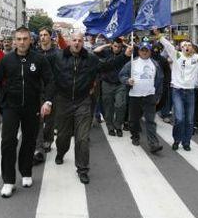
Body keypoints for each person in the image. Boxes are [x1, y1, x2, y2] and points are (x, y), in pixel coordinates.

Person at [49, 32, 132, 184]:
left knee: (82, 138)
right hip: (63, 101)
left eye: (79, 40)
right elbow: (44, 70)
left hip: (83, 101)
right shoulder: (58, 57)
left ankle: (82, 169)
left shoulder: (91, 58)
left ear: (83, 43)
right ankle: (61, 152)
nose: (76, 43)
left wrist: (125, 56)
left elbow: (107, 66)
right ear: (69, 42)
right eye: (74, 40)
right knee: (63, 136)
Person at [0, 27, 54, 198]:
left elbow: (50, 81)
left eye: (25, 38)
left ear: (30, 40)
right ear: (14, 40)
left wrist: (47, 101)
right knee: (8, 141)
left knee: (29, 140)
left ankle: (26, 172)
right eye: (19, 39)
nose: (22, 42)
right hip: (11, 106)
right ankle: (8, 180)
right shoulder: (7, 60)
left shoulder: (39, 59)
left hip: (32, 107)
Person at [119, 37, 163, 152]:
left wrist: (157, 95)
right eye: (142, 50)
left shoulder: (155, 64)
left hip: (149, 96)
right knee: (133, 120)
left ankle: (153, 143)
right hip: (135, 96)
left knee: (150, 121)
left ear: (150, 51)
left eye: (147, 50)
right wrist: (127, 80)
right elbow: (122, 75)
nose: (144, 52)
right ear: (138, 51)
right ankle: (135, 136)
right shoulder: (132, 63)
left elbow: (160, 80)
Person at [33, 27, 60, 164]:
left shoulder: (57, 53)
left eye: (45, 35)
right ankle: (38, 146)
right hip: (37, 89)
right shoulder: (34, 52)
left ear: (50, 36)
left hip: (52, 89)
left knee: (50, 118)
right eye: (41, 35)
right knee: (38, 117)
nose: (43, 37)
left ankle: (48, 139)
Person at [95, 39, 127, 137]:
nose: (117, 48)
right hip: (107, 83)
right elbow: (96, 51)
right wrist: (108, 44)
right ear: (112, 46)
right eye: (115, 46)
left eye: (119, 47)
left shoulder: (125, 54)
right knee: (108, 107)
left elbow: (135, 49)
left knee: (120, 105)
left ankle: (118, 125)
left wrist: (125, 43)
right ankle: (110, 126)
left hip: (120, 83)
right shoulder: (106, 52)